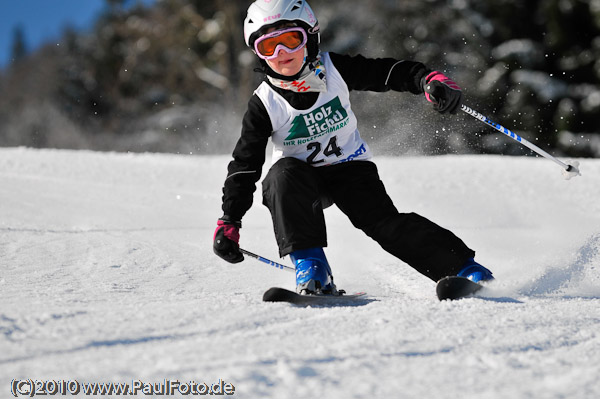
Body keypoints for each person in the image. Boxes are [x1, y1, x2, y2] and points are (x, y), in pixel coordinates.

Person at [213, 0, 493, 295]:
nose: (282, 54)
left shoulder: (334, 69)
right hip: (299, 181)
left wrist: (425, 79)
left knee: (384, 225)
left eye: (290, 40)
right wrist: (230, 219)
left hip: (350, 169)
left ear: (310, 37)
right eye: (269, 47)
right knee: (281, 175)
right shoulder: (265, 103)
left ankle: (466, 270)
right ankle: (313, 271)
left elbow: (385, 72)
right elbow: (245, 164)